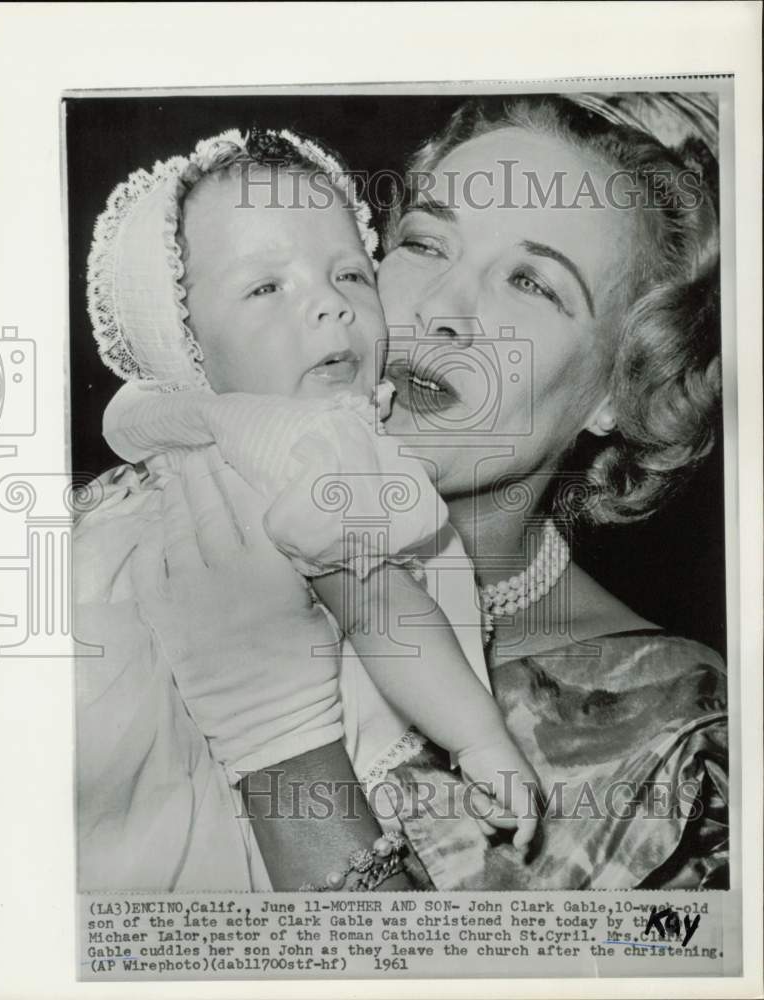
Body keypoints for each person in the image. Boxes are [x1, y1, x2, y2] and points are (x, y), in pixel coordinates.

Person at [75, 92, 727, 892]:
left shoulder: (681, 745)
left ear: (623, 389)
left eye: (531, 282)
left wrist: (283, 740)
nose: (443, 309)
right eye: (424, 243)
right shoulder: (178, 490)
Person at [75, 126, 537, 893]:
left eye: (353, 275)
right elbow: (380, 607)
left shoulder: (186, 445)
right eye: (267, 287)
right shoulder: (291, 448)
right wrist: (481, 738)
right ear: (184, 344)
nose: (330, 305)